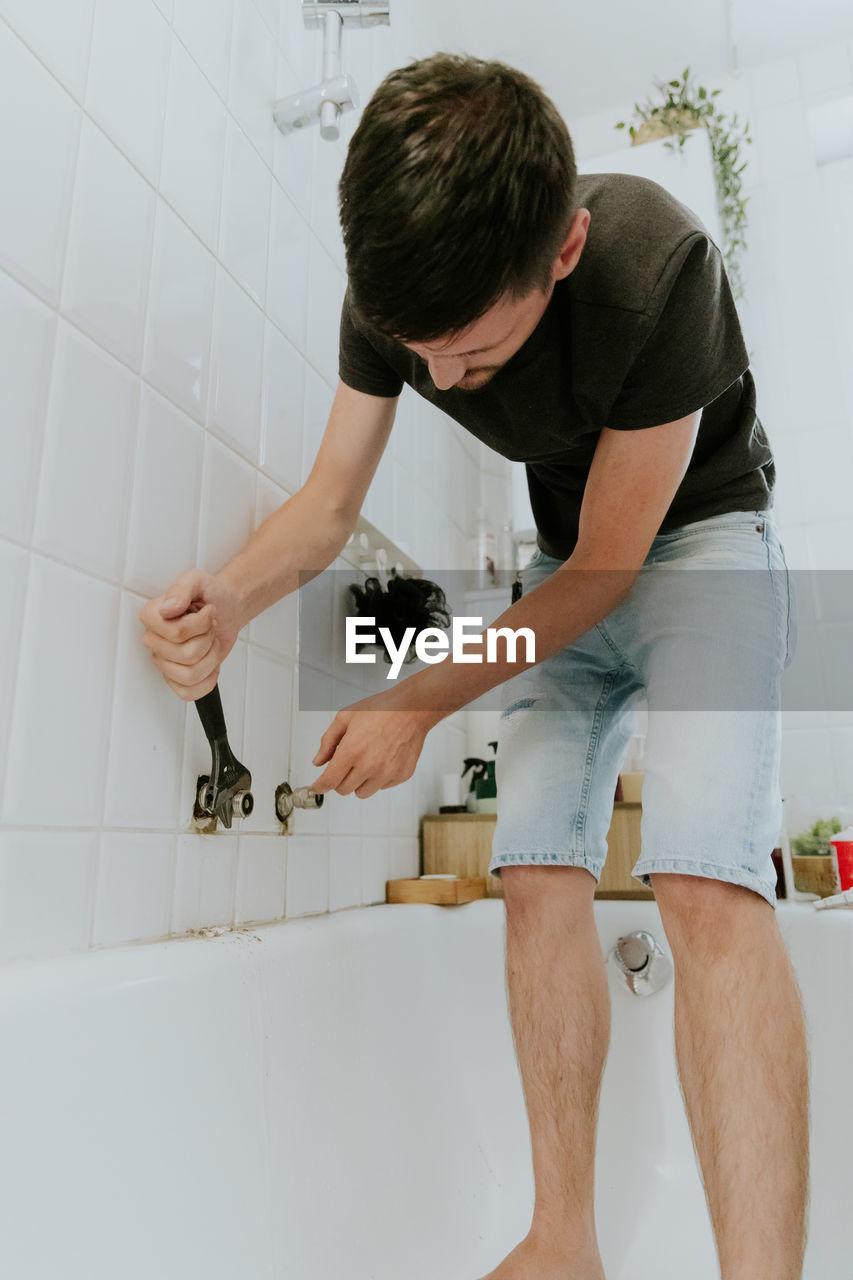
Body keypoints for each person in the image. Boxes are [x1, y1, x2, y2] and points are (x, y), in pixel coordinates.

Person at [139, 53, 809, 1280]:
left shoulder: (658, 270)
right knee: (536, 870)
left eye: (476, 356)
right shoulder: (400, 293)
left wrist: (414, 701)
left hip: (697, 539)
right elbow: (330, 506)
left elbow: (614, 566)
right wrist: (230, 595)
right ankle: (565, 1239)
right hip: (570, 562)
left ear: (561, 252)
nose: (442, 382)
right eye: (419, 352)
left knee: (703, 877)